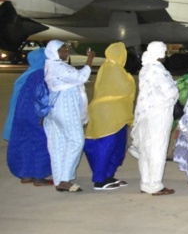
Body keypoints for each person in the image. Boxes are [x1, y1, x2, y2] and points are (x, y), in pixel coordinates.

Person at [43, 40, 94, 193]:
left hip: (57, 106)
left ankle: (60, 179)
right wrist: (90, 59)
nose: (67, 52)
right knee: (76, 141)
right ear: (55, 52)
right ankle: (64, 180)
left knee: (59, 143)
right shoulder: (57, 67)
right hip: (65, 106)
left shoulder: (53, 65)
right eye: (63, 49)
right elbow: (81, 77)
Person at [83, 43, 135, 190]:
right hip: (110, 114)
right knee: (106, 146)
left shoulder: (105, 68)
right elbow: (126, 89)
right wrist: (130, 78)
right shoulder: (115, 70)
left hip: (109, 113)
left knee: (115, 146)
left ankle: (108, 175)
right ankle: (100, 180)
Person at [129, 41, 178, 196]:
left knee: (146, 150)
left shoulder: (145, 68)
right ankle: (155, 185)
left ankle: (146, 183)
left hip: (145, 114)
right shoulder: (158, 70)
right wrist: (177, 89)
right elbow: (169, 92)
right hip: (158, 115)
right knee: (157, 149)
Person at [5, 48, 53, 186]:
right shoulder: (41, 74)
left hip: (20, 115)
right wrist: (43, 114)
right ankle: (39, 177)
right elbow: (41, 97)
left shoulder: (26, 74)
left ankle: (25, 174)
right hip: (35, 115)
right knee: (41, 143)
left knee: (25, 144)